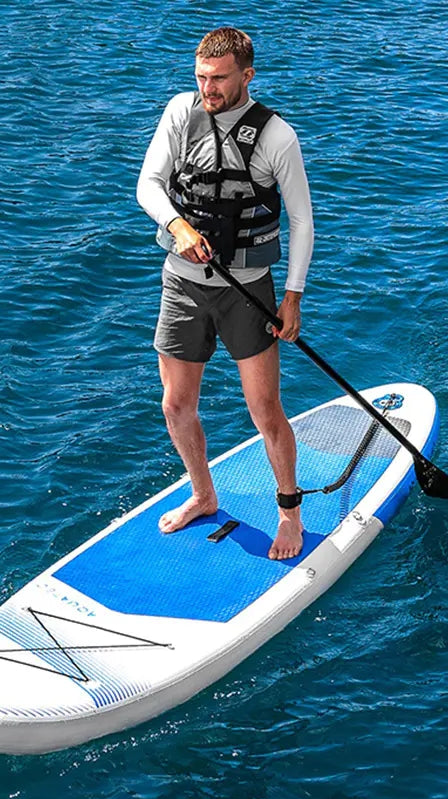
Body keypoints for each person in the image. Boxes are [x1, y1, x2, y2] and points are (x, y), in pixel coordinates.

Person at [136, 27, 314, 561]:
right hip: (182, 284)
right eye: (200, 77)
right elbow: (148, 184)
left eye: (218, 79)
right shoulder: (180, 112)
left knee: (265, 410)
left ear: (247, 76)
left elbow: (303, 222)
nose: (207, 88)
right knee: (176, 404)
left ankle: (289, 514)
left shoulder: (277, 137)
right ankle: (202, 494)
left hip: (247, 289)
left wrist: (292, 298)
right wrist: (179, 227)